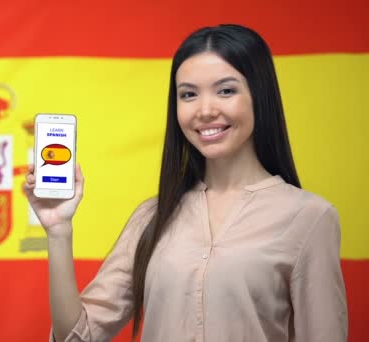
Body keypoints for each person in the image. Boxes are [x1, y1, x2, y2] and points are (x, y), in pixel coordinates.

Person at [24, 24, 348, 342]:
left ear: (259, 95)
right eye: (189, 94)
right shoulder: (152, 216)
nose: (205, 110)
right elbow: (77, 337)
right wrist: (58, 232)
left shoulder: (310, 218)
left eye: (226, 90)